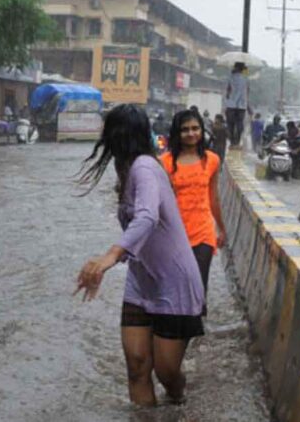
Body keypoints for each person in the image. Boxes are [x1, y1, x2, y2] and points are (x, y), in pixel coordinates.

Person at [74, 104, 204, 406]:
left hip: (174, 281)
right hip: (141, 280)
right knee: (136, 366)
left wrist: (109, 257)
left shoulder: (145, 167)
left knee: (167, 372)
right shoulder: (127, 170)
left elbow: (146, 217)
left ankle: (178, 399)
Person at [160, 109, 226, 316]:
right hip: (174, 234)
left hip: (203, 232)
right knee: (175, 285)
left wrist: (222, 229)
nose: (191, 133)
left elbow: (213, 197)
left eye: (195, 128)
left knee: (199, 284)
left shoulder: (212, 160)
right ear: (177, 133)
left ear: (202, 130)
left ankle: (196, 329)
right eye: (185, 130)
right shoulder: (165, 162)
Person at [225, 62, 248, 147]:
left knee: (230, 124)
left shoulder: (230, 77)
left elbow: (228, 90)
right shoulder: (245, 77)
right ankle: (237, 141)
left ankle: (232, 141)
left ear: (236, 67)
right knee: (240, 123)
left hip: (231, 104)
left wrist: (228, 96)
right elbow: (247, 89)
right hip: (242, 105)